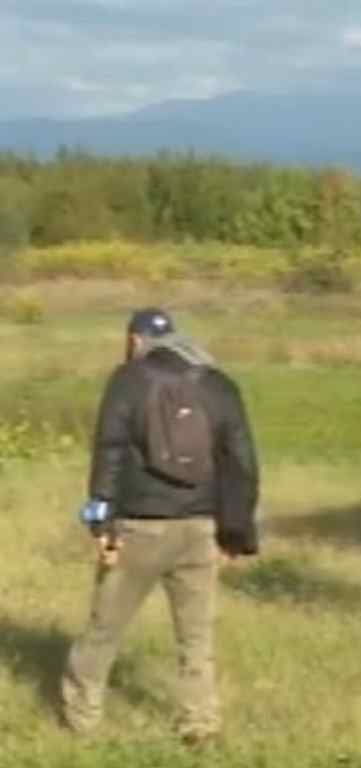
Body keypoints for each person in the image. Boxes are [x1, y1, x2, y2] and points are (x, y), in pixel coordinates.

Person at [63, 308, 259, 745]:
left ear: (134, 340)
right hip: (201, 530)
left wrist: (102, 528)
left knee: (104, 630)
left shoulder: (127, 381)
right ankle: (200, 725)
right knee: (196, 638)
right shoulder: (217, 382)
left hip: (139, 529)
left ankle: (81, 721)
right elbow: (241, 463)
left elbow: (108, 455)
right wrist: (236, 533)